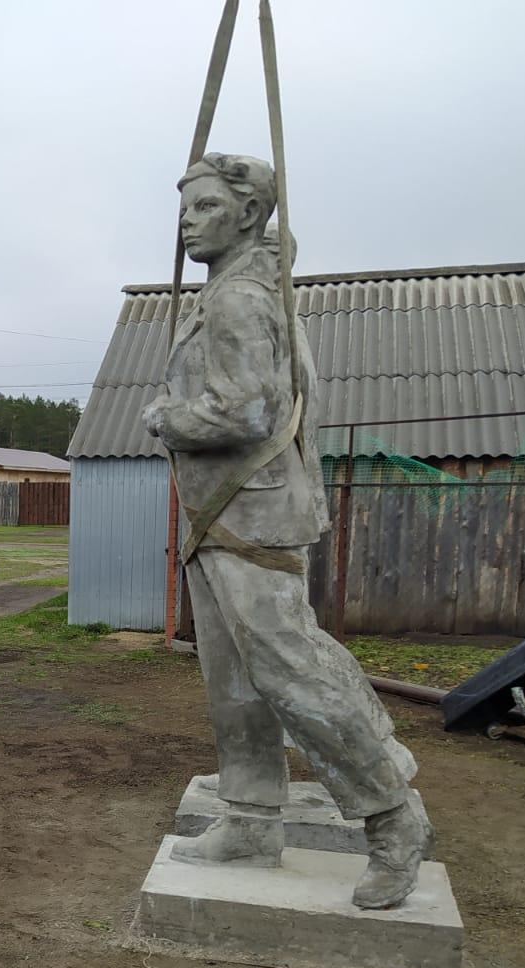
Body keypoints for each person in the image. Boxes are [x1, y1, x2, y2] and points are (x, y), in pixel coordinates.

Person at [142, 152, 431, 909]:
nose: (186, 220)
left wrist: (166, 418)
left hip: (252, 512)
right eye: (184, 206)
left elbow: (250, 412)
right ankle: (250, 816)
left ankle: (393, 817)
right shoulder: (227, 292)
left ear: (246, 215)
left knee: (290, 669)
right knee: (234, 681)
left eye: (204, 207)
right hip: (220, 516)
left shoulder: (242, 299)